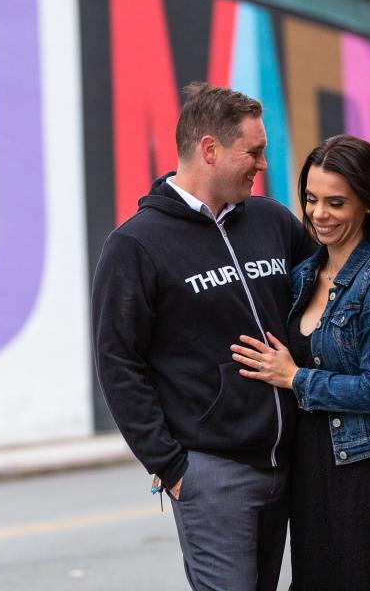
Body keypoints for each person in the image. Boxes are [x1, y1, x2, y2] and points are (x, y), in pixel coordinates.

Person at [92, 82, 315, 590]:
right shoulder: (136, 245)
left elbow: (323, 295)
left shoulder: (272, 221)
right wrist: (171, 466)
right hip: (212, 473)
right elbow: (117, 362)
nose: (261, 164)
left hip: (288, 463)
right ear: (210, 150)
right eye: (252, 152)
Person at [231, 134, 370, 590]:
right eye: (310, 199)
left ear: (367, 203)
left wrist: (296, 378)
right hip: (309, 469)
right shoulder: (304, 274)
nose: (318, 214)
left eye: (336, 203)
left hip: (366, 472)